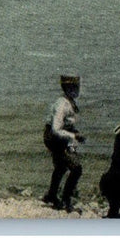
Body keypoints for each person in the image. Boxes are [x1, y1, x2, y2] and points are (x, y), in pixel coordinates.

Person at [42, 74, 85, 212]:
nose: (77, 90)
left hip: (62, 137)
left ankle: (52, 195)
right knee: (76, 169)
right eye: (74, 87)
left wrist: (73, 135)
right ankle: (66, 199)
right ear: (68, 88)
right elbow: (56, 129)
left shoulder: (69, 101)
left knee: (61, 167)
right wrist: (74, 135)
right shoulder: (62, 104)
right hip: (54, 138)